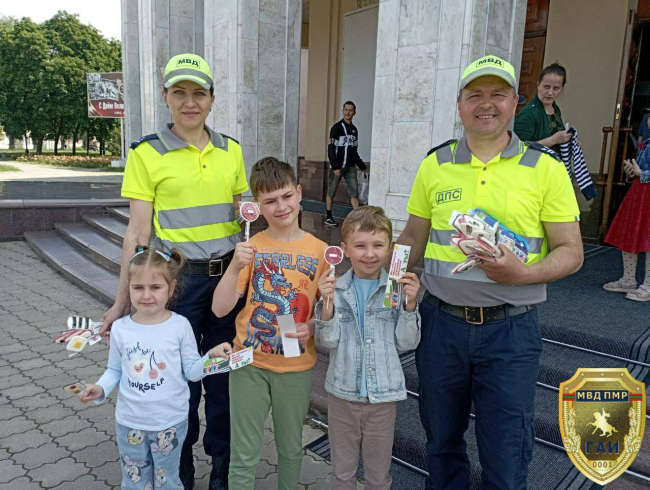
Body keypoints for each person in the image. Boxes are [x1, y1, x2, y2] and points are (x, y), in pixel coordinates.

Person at [396, 55, 584, 490]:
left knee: (506, 451)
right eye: (475, 94)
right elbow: (411, 238)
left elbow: (572, 252)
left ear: (515, 103)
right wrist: (381, 286)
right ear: (460, 104)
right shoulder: (435, 164)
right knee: (440, 441)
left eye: (498, 94)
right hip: (440, 327)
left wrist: (521, 275)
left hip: (511, 333)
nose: (486, 104)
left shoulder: (545, 167)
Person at [98, 53, 249, 490]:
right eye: (179, 92)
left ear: (212, 98)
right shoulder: (146, 152)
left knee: (222, 378)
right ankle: (179, 469)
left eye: (198, 93)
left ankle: (222, 467)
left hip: (227, 281)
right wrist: (120, 303)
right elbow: (137, 232)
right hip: (179, 282)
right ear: (165, 96)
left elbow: (241, 216)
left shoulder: (232, 150)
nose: (189, 102)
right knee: (180, 378)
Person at [212, 157, 328, 489]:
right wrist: (235, 266)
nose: (281, 206)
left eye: (287, 196)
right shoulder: (252, 248)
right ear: (257, 207)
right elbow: (220, 309)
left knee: (291, 450)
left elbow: (326, 315)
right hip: (247, 364)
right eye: (270, 201)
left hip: (295, 366)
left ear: (299, 193)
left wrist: (313, 327)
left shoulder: (320, 251)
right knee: (243, 453)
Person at [78, 246, 233, 490]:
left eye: (155, 287)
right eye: (138, 287)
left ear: (171, 288)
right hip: (130, 423)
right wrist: (100, 388)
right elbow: (115, 370)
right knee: (134, 482)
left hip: (169, 423)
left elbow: (192, 372)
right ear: (128, 288)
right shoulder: (121, 329)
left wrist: (210, 357)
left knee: (167, 481)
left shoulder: (180, 326)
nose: (146, 295)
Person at [315, 206, 421, 490]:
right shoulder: (335, 289)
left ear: (390, 249)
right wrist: (326, 305)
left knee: (378, 476)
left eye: (377, 245)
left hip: (382, 400)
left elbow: (407, 343)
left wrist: (410, 305)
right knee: (342, 475)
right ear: (345, 249)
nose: (369, 253)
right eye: (360, 246)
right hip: (342, 396)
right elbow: (326, 342)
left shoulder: (395, 289)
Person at [603, 147, 650, 301]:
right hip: (639, 191)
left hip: (644, 192)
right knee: (630, 234)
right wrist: (632, 173)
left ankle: (648, 285)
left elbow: (642, 172)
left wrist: (641, 174)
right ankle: (628, 280)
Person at [325, 101, 369, 227]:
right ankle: (329, 217)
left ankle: (358, 219)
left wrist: (362, 166)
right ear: (343, 111)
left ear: (354, 113)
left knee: (354, 192)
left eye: (351, 110)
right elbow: (331, 149)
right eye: (346, 110)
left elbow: (354, 152)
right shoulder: (336, 128)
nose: (348, 112)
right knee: (331, 191)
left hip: (350, 168)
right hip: (337, 167)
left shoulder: (354, 130)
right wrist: (335, 166)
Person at [514, 63, 571, 154]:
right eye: (546, 87)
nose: (550, 92)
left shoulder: (555, 108)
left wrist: (568, 141)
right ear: (538, 85)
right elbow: (518, 149)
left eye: (556, 88)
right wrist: (553, 140)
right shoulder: (528, 113)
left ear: (561, 88)